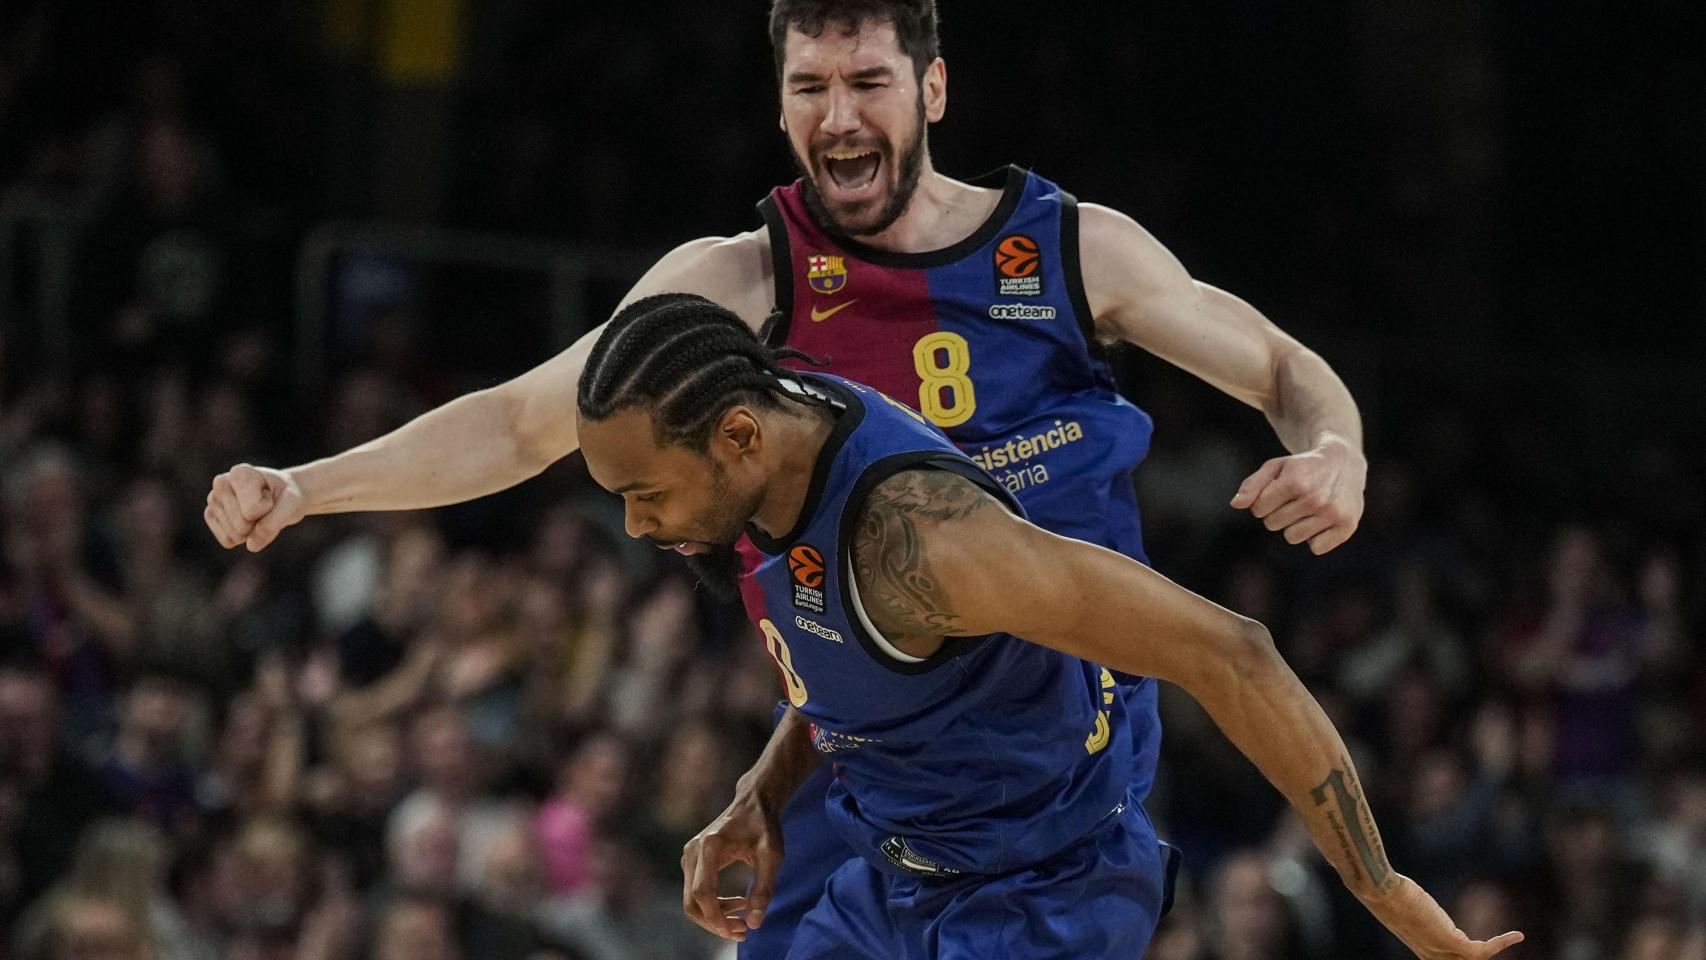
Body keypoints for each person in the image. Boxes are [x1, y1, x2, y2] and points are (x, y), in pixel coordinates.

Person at [204, 1, 1366, 951]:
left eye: (866, 81)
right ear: (779, 106)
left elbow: (1277, 366)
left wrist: (1332, 450)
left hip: (1046, 756)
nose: (838, 114)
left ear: (933, 89)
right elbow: (517, 423)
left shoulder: (1068, 249)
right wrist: (307, 487)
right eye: (810, 89)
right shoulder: (739, 284)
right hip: (861, 723)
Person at [570, 294, 1518, 959]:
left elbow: (1234, 654)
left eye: (644, 492)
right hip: (897, 872)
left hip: (1042, 895)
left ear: (737, 435)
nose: (635, 524)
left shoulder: (930, 543)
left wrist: (1382, 888)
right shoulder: (782, 427)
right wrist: (763, 792)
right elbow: (847, 656)